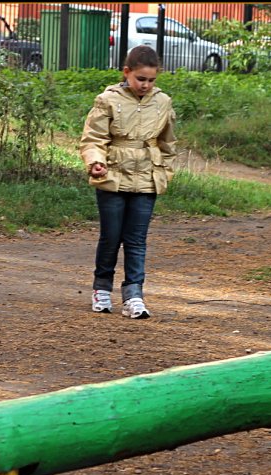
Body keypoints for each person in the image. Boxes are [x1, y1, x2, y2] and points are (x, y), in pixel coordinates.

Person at [80, 45, 177, 319]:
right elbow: (93, 138)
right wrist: (95, 161)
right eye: (141, 79)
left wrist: (164, 173)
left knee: (136, 240)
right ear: (127, 73)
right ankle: (101, 289)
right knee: (111, 237)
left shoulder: (163, 102)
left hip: (147, 178)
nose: (146, 85)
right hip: (112, 175)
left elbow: (168, 143)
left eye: (151, 80)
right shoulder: (107, 100)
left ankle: (134, 295)